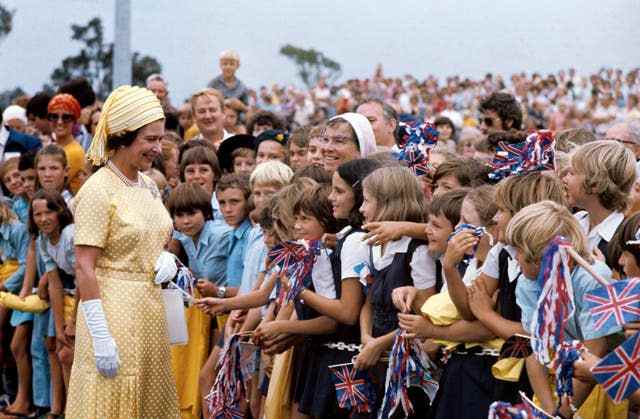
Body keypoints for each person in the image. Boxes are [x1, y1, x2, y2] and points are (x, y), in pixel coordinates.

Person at [66, 85, 179, 418]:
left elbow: (157, 236)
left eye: (161, 139)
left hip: (149, 310)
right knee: (112, 399)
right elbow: (84, 267)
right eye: (150, 139)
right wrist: (100, 334)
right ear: (123, 136)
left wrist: (165, 256)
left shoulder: (148, 185)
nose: (158, 149)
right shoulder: (98, 190)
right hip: (112, 311)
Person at [505, 201, 623, 417]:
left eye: (519, 250)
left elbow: (595, 350)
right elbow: (535, 348)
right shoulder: (527, 282)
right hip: (563, 378)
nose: (514, 258)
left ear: (544, 258)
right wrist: (549, 410)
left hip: (599, 379)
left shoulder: (590, 279)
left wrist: (565, 412)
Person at [353, 166, 435, 417]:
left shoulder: (417, 250)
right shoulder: (375, 246)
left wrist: (380, 344)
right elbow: (368, 302)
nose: (361, 209)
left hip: (406, 369)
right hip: (375, 360)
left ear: (389, 204)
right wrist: (367, 337)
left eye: (367, 201)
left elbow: (427, 315)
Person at [563, 140, 636, 255]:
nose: (565, 179)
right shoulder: (576, 221)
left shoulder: (622, 239)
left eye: (572, 173)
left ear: (595, 185)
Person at [47, 94, 86, 194]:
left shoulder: (74, 152)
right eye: (54, 116)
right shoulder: (53, 147)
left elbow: (51, 187)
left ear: (74, 121)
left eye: (66, 117)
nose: (59, 122)